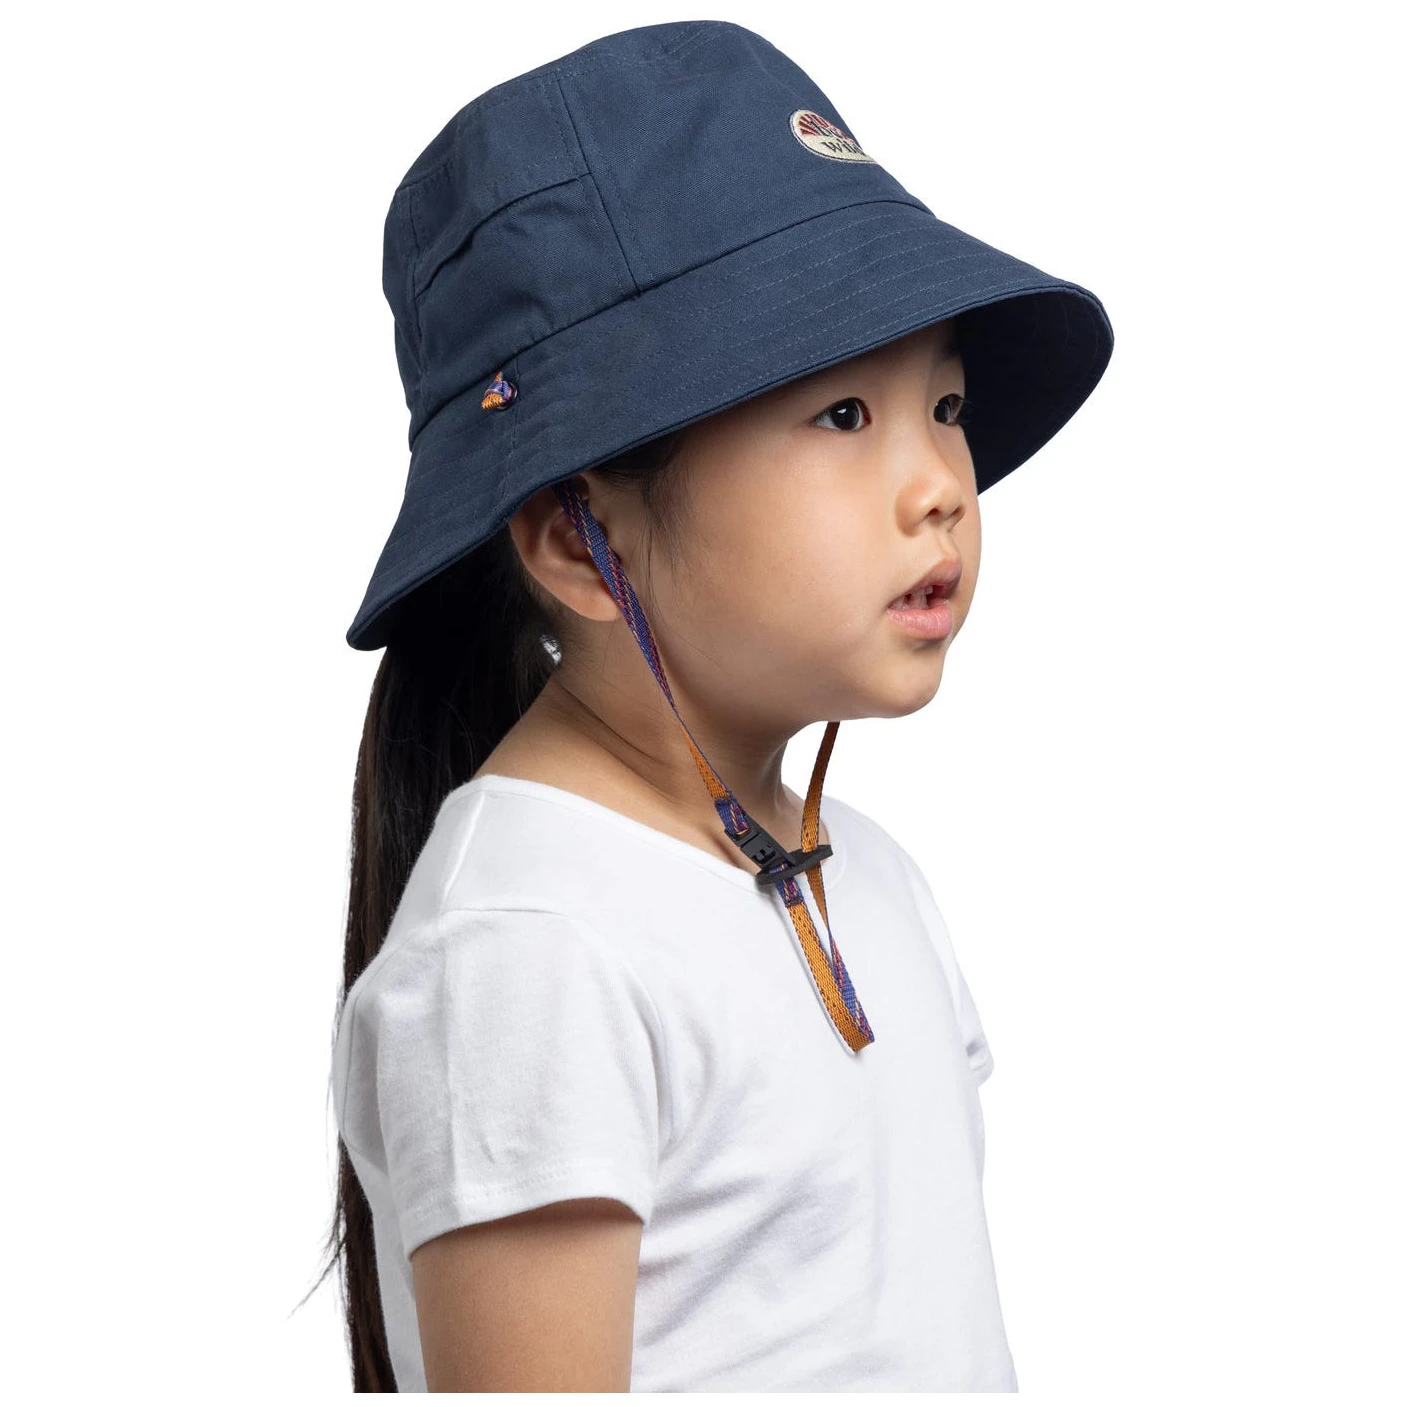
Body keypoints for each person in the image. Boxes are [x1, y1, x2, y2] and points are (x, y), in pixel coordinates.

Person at [320, 18, 1114, 1392]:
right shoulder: (528, 949)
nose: (942, 484)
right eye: (844, 416)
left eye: (945, 405)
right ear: (579, 541)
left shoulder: (866, 872)